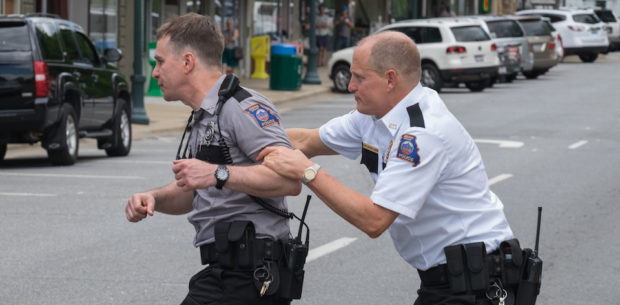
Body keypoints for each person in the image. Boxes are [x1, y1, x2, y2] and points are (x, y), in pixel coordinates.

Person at [258, 31, 516, 304]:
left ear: (390, 79)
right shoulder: (372, 117)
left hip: (478, 282)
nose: (350, 86)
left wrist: (307, 171)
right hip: (450, 280)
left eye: (359, 77)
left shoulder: (422, 133)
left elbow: (375, 220)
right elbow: (304, 140)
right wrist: (236, 141)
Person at [125, 13, 301, 305]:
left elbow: (291, 180)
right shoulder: (207, 114)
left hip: (251, 276)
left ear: (187, 62)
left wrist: (218, 173)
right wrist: (152, 197)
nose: (155, 72)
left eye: (160, 61)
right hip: (227, 273)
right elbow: (195, 191)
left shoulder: (243, 107)